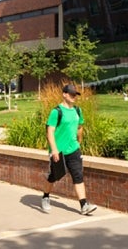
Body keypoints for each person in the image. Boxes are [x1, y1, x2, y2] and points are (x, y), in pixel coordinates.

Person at [41, 84, 98, 215]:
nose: (74, 97)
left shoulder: (78, 111)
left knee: (78, 176)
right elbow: (50, 131)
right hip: (58, 151)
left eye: (75, 95)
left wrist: (79, 142)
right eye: (71, 94)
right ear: (64, 94)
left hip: (74, 150)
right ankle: (45, 197)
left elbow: (80, 127)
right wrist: (54, 150)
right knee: (54, 176)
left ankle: (84, 205)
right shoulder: (56, 111)